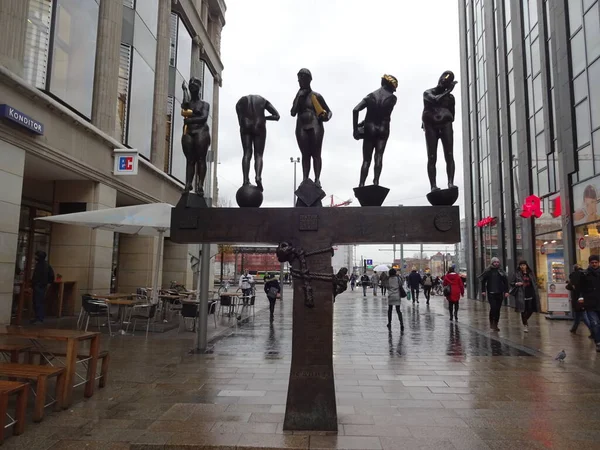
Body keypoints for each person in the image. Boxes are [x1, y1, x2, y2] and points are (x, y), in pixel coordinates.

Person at [352, 74, 398, 187]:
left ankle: (361, 184)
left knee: (366, 159)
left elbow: (355, 110)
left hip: (369, 128)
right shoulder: (392, 98)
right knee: (379, 156)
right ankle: (376, 182)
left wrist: (356, 129)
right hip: (383, 128)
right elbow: (383, 114)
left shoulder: (371, 96)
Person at [291, 68, 332, 189]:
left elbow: (329, 112)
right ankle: (305, 179)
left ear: (308, 79)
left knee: (316, 153)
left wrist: (325, 117)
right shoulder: (298, 96)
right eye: (299, 79)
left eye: (302, 79)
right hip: (301, 126)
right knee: (305, 154)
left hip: (315, 125)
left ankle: (317, 179)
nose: (299, 81)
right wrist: (299, 98)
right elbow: (293, 112)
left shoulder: (316, 96)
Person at [235, 95, 280, 191]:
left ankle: (245, 180)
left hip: (245, 124)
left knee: (247, 153)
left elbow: (239, 116)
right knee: (258, 154)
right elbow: (277, 116)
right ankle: (258, 177)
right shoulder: (263, 100)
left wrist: (243, 123)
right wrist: (263, 117)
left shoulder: (241, 101)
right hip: (259, 124)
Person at [181, 78, 211, 195]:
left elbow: (203, 118)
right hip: (189, 132)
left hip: (201, 132)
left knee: (201, 159)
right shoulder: (188, 103)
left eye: (195, 84)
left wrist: (191, 118)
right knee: (190, 160)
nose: (192, 86)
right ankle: (188, 183)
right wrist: (184, 90)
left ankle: (200, 185)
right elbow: (184, 106)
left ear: (199, 87)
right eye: (190, 85)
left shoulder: (204, 104)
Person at [574, 255, 600, 352]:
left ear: (598, 263)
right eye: (592, 262)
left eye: (596, 262)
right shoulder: (585, 274)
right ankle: (598, 342)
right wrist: (581, 297)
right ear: (589, 263)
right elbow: (580, 288)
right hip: (590, 303)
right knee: (595, 323)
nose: (594, 264)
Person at [479, 257, 509, 332]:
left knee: (498, 309)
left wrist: (506, 291)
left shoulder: (501, 271)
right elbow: (483, 281)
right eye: (495, 262)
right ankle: (491, 322)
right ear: (492, 263)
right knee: (493, 308)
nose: (496, 263)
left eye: (497, 262)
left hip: (499, 292)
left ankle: (496, 323)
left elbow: (506, 282)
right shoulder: (488, 271)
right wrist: (483, 291)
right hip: (491, 293)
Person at [510, 260, 539, 332]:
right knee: (523, 310)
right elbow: (511, 283)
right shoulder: (516, 273)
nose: (522, 267)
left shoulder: (530, 273)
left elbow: (534, 282)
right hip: (521, 294)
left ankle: (525, 319)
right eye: (521, 265)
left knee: (531, 309)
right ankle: (525, 325)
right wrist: (517, 284)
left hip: (530, 293)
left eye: (523, 265)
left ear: (526, 265)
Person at [566, 264, 593, 337]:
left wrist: (569, 284)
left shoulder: (574, 275)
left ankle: (593, 331)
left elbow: (569, 287)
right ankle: (574, 328)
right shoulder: (584, 275)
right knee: (578, 315)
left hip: (577, 298)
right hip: (583, 297)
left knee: (583, 316)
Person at [31, 251, 54, 324]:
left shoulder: (43, 265)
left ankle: (39, 318)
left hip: (40, 286)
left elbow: (51, 276)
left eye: (36, 256)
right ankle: (37, 317)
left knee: (38, 302)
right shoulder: (44, 265)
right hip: (39, 285)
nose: (35, 258)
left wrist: (45, 284)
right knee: (36, 302)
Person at [386, 268, 405, 333]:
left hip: (391, 296)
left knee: (390, 310)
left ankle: (389, 323)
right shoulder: (398, 278)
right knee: (398, 310)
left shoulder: (388, 279)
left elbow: (387, 286)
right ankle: (401, 324)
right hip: (397, 295)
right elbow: (401, 284)